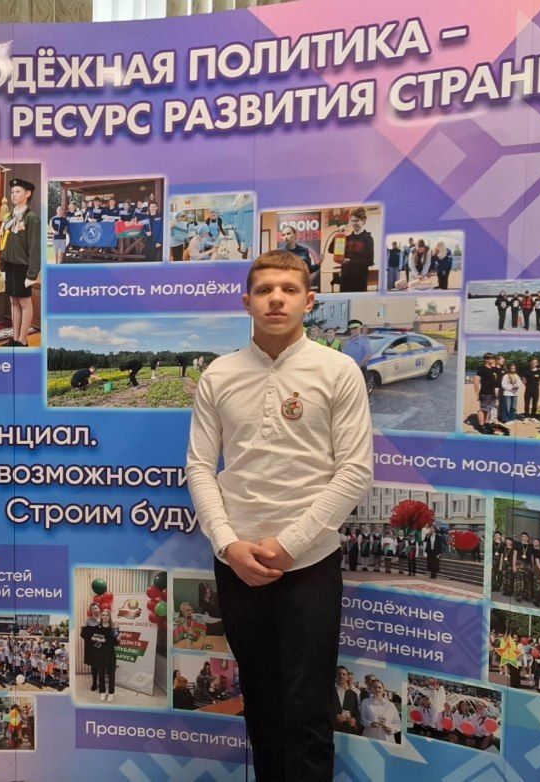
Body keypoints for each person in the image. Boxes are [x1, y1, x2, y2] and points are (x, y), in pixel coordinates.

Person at [186, 250, 373, 781]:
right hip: (239, 564)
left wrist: (290, 544)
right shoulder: (219, 375)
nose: (276, 299)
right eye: (265, 289)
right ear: (246, 301)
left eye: (289, 290)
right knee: (262, 702)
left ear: (309, 301)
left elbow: (355, 471)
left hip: (309, 564)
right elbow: (200, 467)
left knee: (309, 708)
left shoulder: (337, 371)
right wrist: (228, 545)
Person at [0, 178, 41, 347]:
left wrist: (32, 274)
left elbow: (35, 248)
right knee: (13, 302)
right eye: (12, 192)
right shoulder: (9, 217)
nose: (13, 195)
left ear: (27, 194)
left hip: (23, 267)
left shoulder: (32, 218)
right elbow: (3, 243)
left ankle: (23, 340)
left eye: (17, 191)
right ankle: (15, 338)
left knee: (24, 302)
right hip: (10, 265)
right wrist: (2, 266)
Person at [80, 609, 119, 702]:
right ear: (101, 616)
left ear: (109, 617)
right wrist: (83, 627)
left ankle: (111, 693)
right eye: (103, 615)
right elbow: (86, 635)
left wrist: (118, 639)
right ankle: (102, 692)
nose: (105, 617)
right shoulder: (97, 627)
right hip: (100, 655)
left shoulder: (114, 627)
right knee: (101, 675)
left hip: (110, 655)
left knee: (111, 675)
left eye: (107, 615)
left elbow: (115, 643)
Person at [337, 207, 373, 293]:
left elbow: (369, 261)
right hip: (345, 277)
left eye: (356, 221)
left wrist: (350, 261)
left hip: (359, 279)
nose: (354, 223)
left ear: (363, 221)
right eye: (352, 221)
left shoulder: (368, 238)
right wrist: (339, 234)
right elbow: (331, 250)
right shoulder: (347, 238)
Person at [333, 666, 360, 735]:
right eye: (339, 673)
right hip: (332, 727)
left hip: (347, 729)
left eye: (344, 674)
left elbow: (356, 711)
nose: (341, 676)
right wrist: (334, 716)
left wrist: (355, 720)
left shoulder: (353, 694)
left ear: (347, 677)